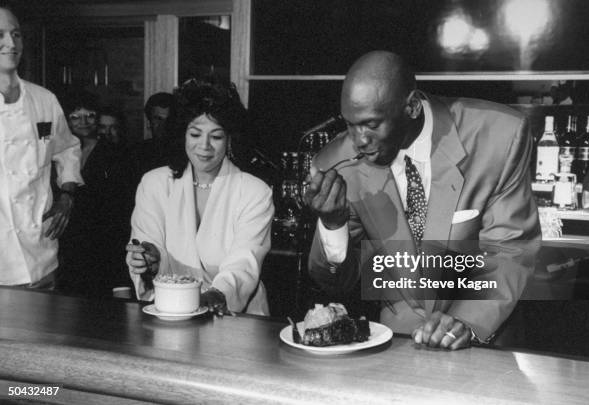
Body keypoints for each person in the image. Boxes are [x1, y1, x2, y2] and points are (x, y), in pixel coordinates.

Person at [305, 51, 540, 350]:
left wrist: (468, 321)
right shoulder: (338, 162)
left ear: (412, 106)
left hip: (483, 339)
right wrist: (332, 224)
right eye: (350, 124)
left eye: (371, 124)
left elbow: (510, 250)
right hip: (397, 345)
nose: (359, 140)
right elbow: (335, 282)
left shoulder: (498, 136)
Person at [125, 76, 274, 315]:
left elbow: (244, 263)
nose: (204, 146)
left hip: (238, 318)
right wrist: (149, 261)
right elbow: (148, 244)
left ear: (230, 139)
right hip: (172, 311)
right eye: (195, 134)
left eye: (216, 137)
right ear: (181, 134)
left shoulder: (254, 192)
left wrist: (215, 296)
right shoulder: (154, 184)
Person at [0, 3, 82, 288]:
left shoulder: (44, 99)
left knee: (47, 332)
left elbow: (67, 148)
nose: (10, 43)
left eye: (16, 34)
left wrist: (67, 195)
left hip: (42, 255)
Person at [58, 91, 131, 297]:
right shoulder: (57, 153)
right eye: (75, 116)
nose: (84, 122)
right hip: (67, 246)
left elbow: (119, 210)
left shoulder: (113, 153)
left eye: (89, 115)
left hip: (102, 246)